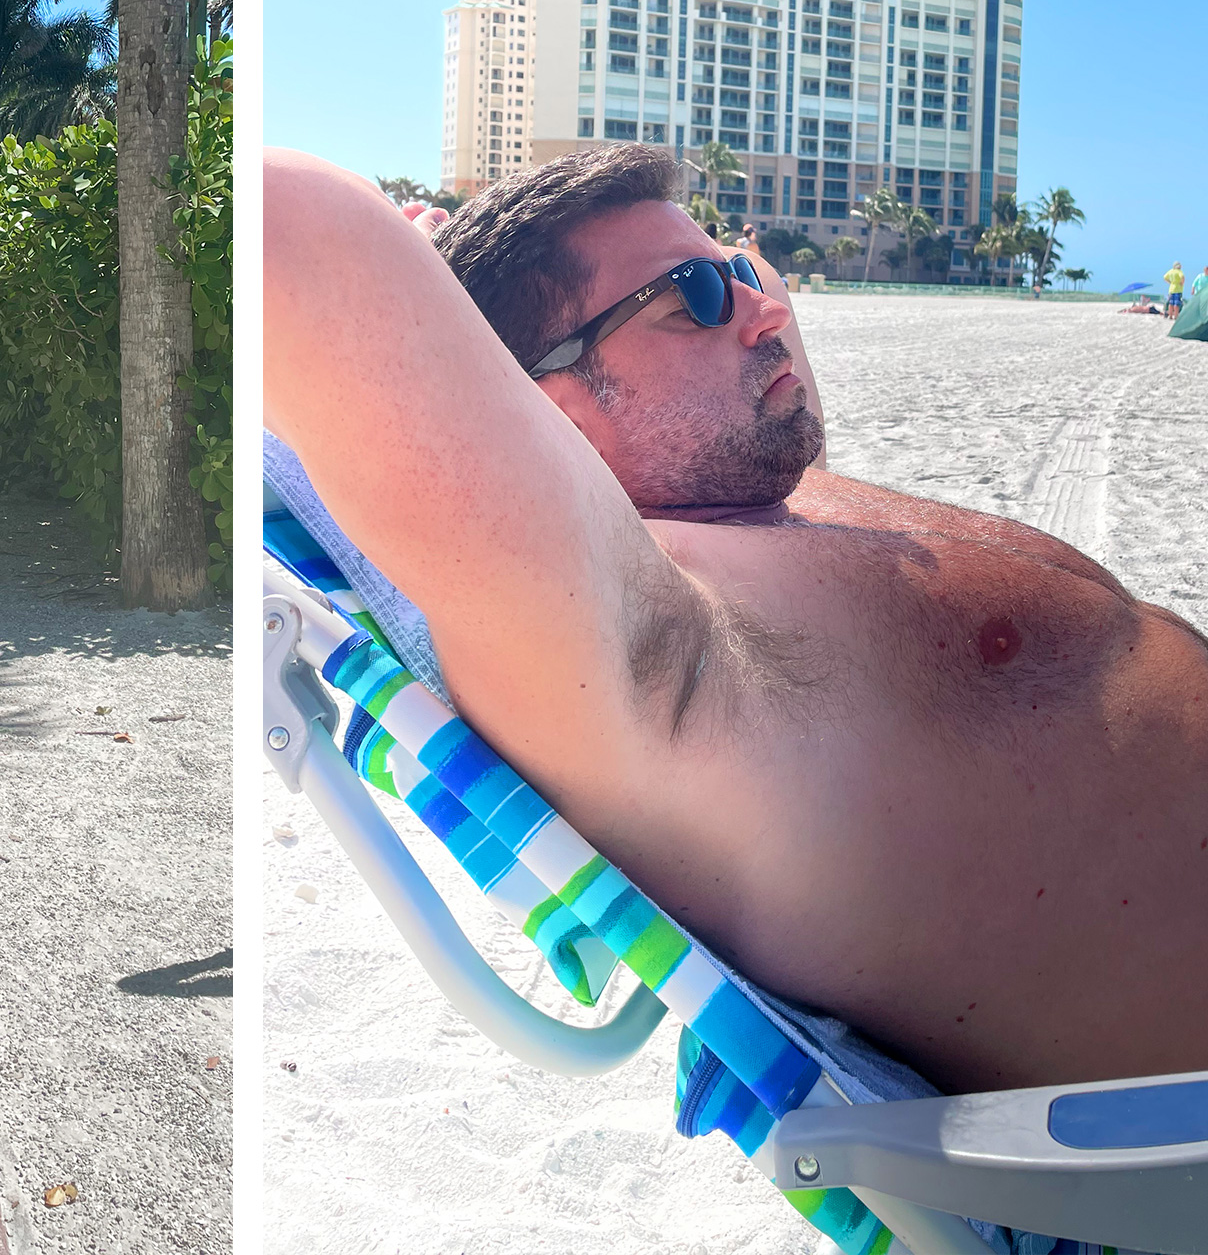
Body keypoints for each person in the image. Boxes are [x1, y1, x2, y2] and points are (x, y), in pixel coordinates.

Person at [267, 143, 1208, 1098]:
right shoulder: (648, 643)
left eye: (743, 276)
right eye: (696, 299)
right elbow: (286, 222)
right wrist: (425, 289)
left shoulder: (763, 498)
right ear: (551, 413)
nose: (767, 311)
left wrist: (722, 280)